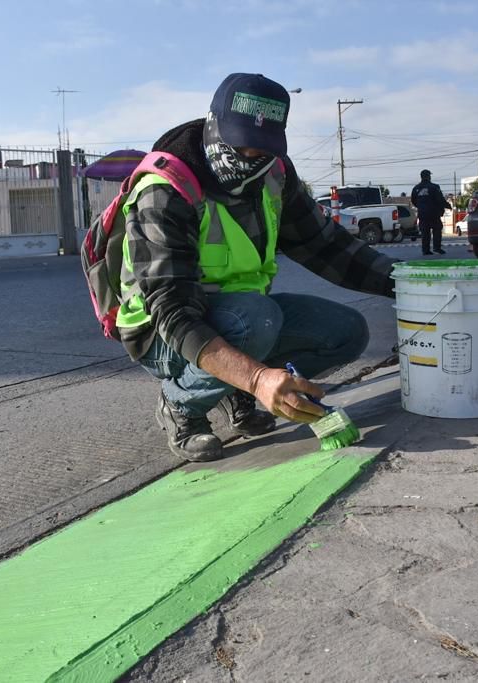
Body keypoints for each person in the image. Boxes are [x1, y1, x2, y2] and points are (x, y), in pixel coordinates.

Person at [117, 73, 398, 462]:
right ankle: (180, 404)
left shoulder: (275, 175)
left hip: (242, 317)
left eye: (262, 149)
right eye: (241, 145)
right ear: (213, 125)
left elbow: (325, 245)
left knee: (346, 332)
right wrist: (257, 377)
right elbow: (174, 312)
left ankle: (232, 390)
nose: (250, 159)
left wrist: (406, 282)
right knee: (255, 320)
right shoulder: (165, 190)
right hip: (163, 333)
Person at [411, 169, 450, 256]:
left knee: (425, 232)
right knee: (437, 229)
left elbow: (413, 201)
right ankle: (437, 248)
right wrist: (447, 206)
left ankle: (425, 250)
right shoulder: (434, 187)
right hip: (433, 213)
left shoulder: (416, 188)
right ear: (428, 176)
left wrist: (421, 207)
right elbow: (440, 199)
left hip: (422, 214)